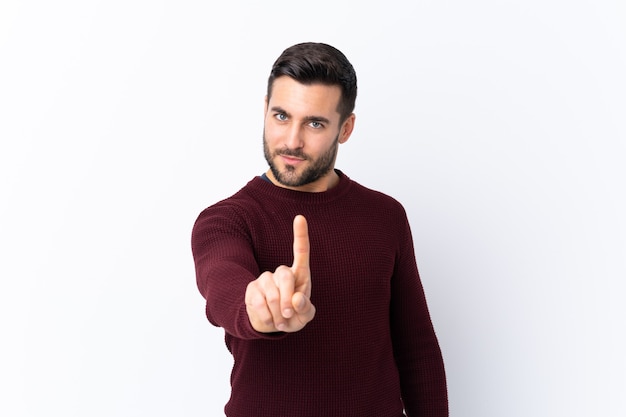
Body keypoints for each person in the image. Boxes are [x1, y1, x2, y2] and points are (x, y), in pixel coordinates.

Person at [191, 42, 448, 417]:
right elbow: (224, 290)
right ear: (264, 110)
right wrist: (263, 310)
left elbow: (416, 347)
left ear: (345, 128)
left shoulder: (386, 216)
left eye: (314, 123)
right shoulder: (225, 220)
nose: (292, 140)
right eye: (281, 116)